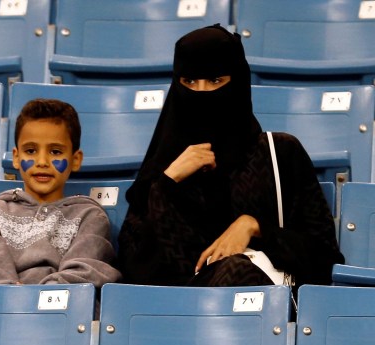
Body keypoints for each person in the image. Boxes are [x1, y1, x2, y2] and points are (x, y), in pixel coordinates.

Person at [118, 24, 343, 288]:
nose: (200, 93)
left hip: (263, 310)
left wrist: (254, 226)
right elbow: (134, 268)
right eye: (189, 82)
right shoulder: (163, 167)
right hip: (179, 314)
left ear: (236, 82)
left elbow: (325, 258)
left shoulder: (280, 154)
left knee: (236, 270)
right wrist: (168, 183)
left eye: (215, 81)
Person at [0, 98, 122, 287]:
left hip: (63, 312)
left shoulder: (90, 216)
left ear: (75, 159)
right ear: (16, 158)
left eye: (55, 152)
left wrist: (34, 303)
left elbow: (82, 273)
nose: (42, 161)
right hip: (3, 311)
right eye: (31, 151)